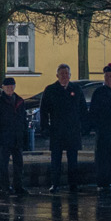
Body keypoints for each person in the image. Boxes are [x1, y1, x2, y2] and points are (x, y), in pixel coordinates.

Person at [39, 64, 85, 192]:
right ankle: (55, 184)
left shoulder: (76, 89)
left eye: (66, 74)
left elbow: (82, 109)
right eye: (62, 74)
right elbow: (44, 111)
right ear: (57, 76)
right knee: (56, 159)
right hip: (57, 130)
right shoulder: (50, 90)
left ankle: (73, 184)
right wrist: (45, 127)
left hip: (73, 130)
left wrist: (84, 127)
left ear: (70, 75)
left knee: (73, 159)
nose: (64, 76)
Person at [0, 76, 29, 196]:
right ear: (3, 88)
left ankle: (18, 185)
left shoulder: (20, 101)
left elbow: (23, 119)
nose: (10, 89)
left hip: (16, 137)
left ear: (14, 87)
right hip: (3, 138)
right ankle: (5, 186)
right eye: (7, 87)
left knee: (18, 163)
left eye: (11, 87)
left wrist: (24, 134)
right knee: (3, 164)